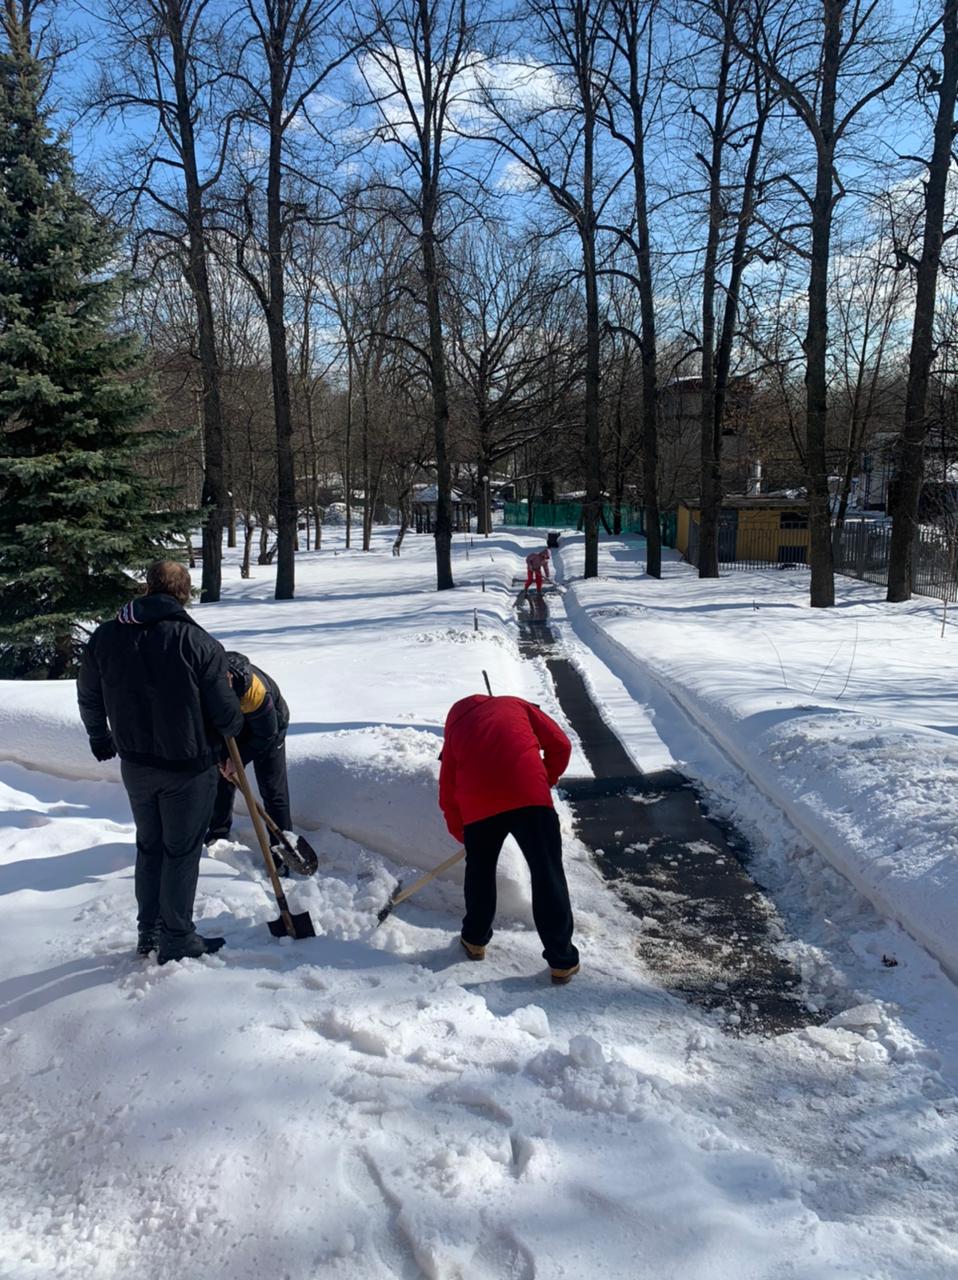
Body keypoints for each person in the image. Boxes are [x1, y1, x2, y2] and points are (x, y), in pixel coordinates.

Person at [77, 560, 245, 964]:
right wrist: (231, 701)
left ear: (148, 587)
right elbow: (226, 718)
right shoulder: (198, 643)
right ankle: (176, 937)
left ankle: (149, 930)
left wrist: (99, 735)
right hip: (188, 768)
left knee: (150, 846)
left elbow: (88, 692)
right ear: (183, 593)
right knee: (180, 851)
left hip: (136, 765)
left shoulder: (107, 635)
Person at [438, 693, 580, 984]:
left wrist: (461, 831)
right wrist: (545, 778)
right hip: (529, 796)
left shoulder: (455, 727)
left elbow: (448, 787)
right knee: (547, 874)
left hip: (479, 807)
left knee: (479, 873)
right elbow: (561, 745)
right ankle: (561, 960)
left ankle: (474, 940)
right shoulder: (517, 705)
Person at [206, 651, 291, 859]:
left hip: (270, 728)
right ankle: (218, 834)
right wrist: (221, 757)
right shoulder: (207, 685)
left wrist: (239, 759)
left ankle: (283, 852)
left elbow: (266, 735)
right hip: (234, 726)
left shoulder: (255, 691)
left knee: (272, 789)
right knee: (222, 778)